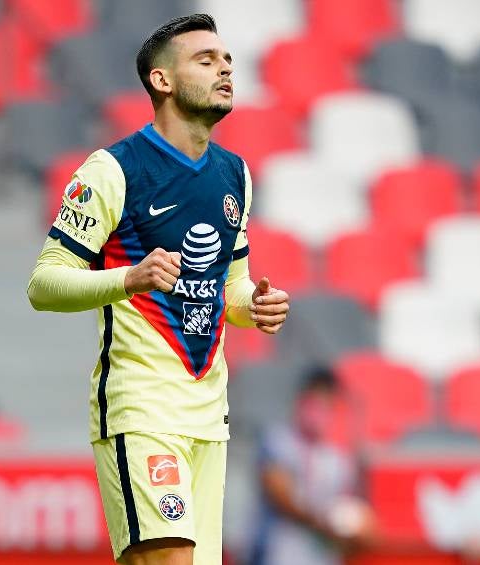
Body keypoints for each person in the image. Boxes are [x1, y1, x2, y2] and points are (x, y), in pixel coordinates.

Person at [26, 13, 290, 565]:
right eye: (205, 60)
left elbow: (230, 288)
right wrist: (129, 277)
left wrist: (253, 306)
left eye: (227, 61)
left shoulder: (234, 174)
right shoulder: (113, 170)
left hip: (208, 415)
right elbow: (44, 284)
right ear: (162, 81)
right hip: (140, 407)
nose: (224, 69)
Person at [249, 367, 376, 565]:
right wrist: (323, 523)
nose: (319, 411)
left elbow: (359, 520)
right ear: (301, 400)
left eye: (326, 403)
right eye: (315, 401)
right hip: (277, 555)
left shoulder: (338, 459)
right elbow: (280, 494)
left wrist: (356, 532)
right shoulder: (277, 440)